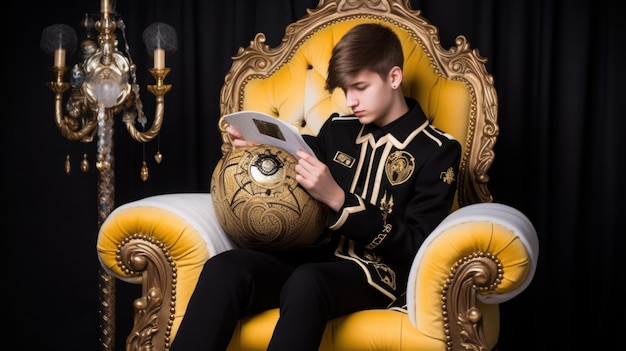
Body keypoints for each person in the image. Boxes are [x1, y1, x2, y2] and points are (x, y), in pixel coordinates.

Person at [170, 23, 461, 351]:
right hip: (311, 257)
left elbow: (416, 244)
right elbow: (293, 153)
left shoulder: (437, 150)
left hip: (378, 275)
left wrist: (338, 200)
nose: (351, 100)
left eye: (361, 87)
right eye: (345, 90)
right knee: (224, 269)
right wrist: (252, 148)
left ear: (394, 78)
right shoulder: (337, 130)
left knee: (308, 281)